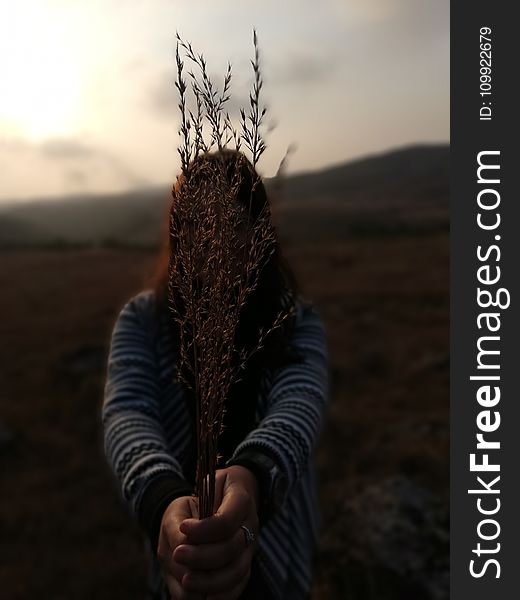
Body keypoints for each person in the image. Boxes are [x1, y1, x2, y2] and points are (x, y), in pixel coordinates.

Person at [101, 149, 329, 599]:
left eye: (229, 223)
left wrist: (253, 475)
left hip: (275, 560)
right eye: (196, 224)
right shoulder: (143, 320)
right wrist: (162, 498)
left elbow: (300, 402)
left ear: (257, 230)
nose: (211, 241)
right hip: (184, 554)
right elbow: (127, 413)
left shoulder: (295, 321)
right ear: (177, 232)